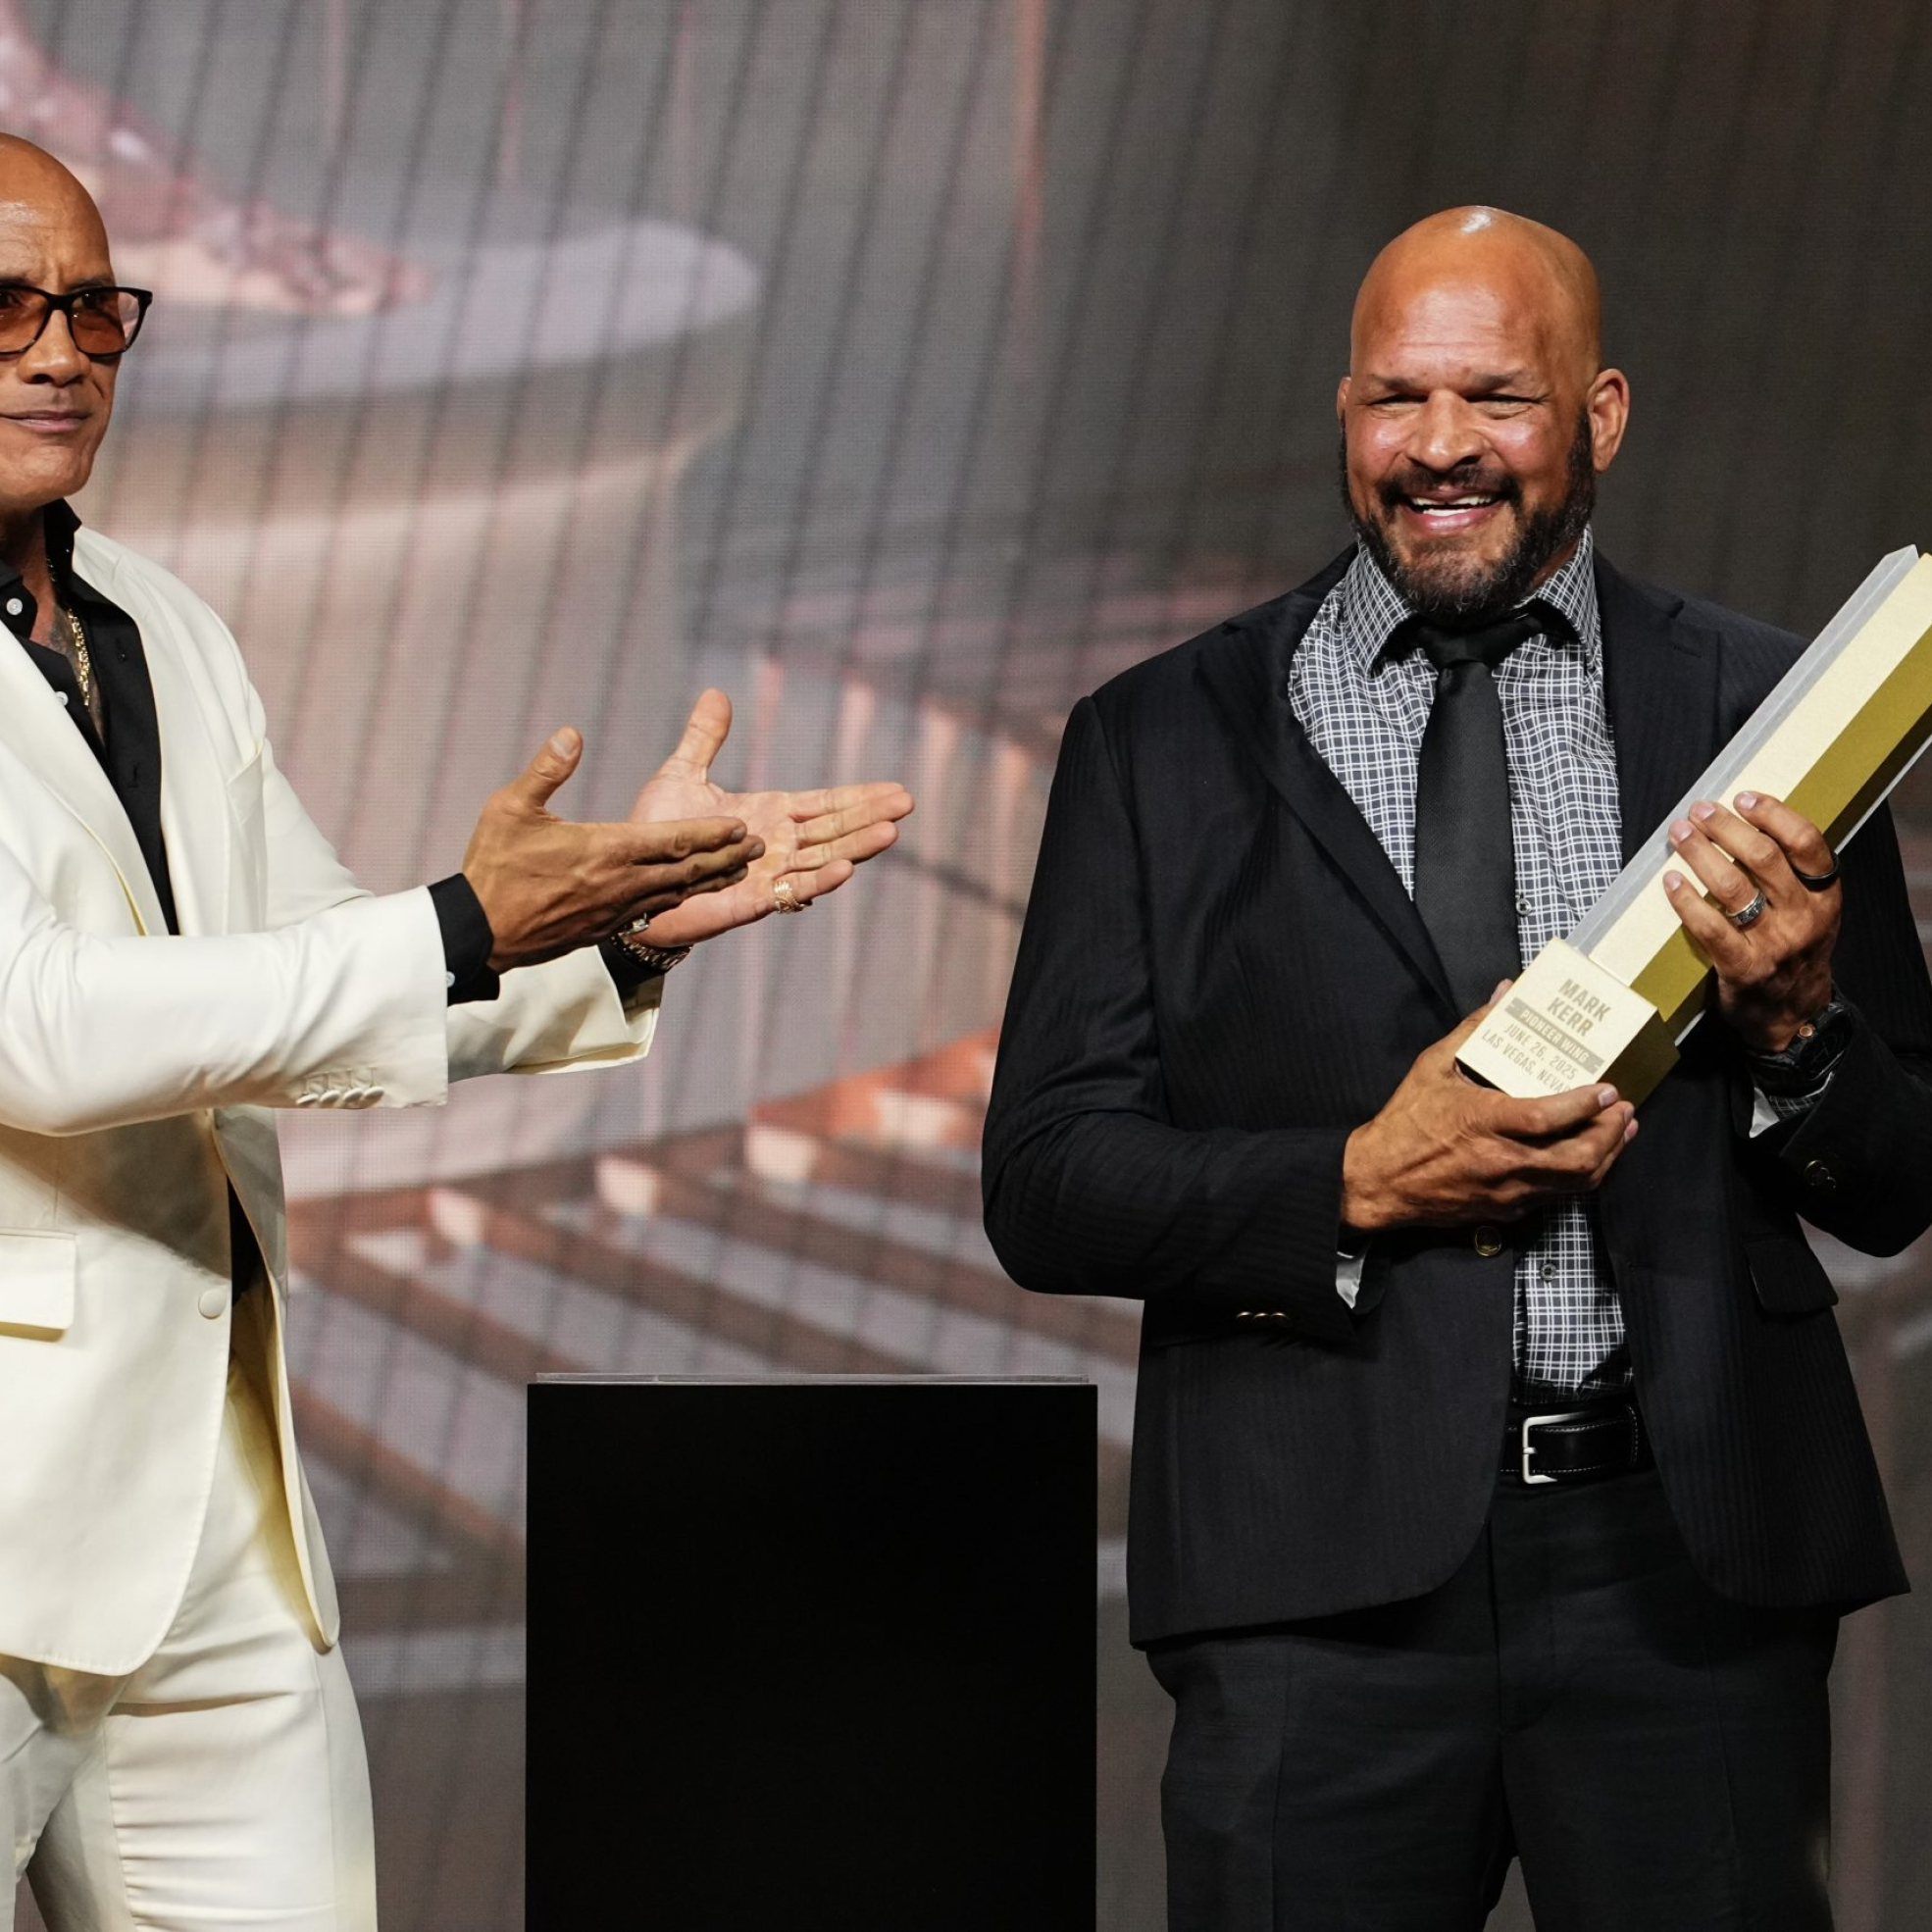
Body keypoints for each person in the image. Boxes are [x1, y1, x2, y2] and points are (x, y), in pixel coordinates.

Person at [984, 204, 1932, 1929]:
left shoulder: (1765, 714)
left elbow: (1896, 1177)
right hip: (1306, 1592)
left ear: (1601, 413)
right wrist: (1350, 1179)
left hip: (1686, 1578)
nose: (1437, 445)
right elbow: (1046, 1178)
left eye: (1495, 396)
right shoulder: (1156, 735)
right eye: (1393, 398)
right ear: (1342, 410)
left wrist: (1801, 1026)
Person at [0, 135, 910, 1928]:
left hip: (221, 1527)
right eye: (5, 307)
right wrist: (464, 921)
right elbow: (43, 1033)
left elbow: (334, 975)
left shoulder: (164, 625)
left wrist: (611, 929)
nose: (59, 352)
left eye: (96, 309)